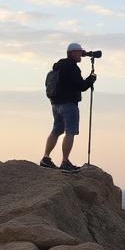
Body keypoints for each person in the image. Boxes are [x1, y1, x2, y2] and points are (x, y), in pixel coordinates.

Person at [41, 42, 96, 173]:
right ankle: (65, 161)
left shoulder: (59, 66)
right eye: (79, 52)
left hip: (56, 104)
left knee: (56, 130)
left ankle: (46, 158)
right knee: (70, 131)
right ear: (71, 53)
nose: (81, 54)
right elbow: (81, 86)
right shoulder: (72, 67)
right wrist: (91, 79)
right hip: (69, 104)